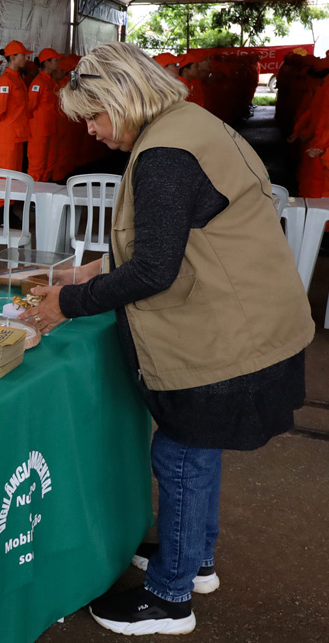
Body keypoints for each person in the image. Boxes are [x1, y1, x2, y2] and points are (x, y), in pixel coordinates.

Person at [19, 41, 314, 636]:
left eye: (95, 117)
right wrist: (93, 270)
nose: (94, 132)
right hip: (255, 323)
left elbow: (156, 269)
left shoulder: (164, 155)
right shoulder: (190, 125)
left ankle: (169, 598)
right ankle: (193, 559)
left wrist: (66, 303)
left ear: (120, 99)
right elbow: (173, 238)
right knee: (197, 451)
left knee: (180, 456)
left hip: (228, 337)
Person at [0, 40, 32, 172]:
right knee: (6, 179)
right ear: (13, 57)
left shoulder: (17, 78)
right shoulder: (6, 80)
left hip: (16, 135)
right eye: (23, 55)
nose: (27, 58)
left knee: (15, 177)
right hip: (7, 137)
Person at [27, 48, 60, 181]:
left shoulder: (51, 82)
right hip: (39, 131)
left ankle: (43, 198)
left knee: (48, 164)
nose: (58, 64)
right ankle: (33, 199)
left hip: (50, 129)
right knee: (37, 165)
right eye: (55, 60)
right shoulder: (38, 83)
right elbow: (30, 107)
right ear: (46, 63)